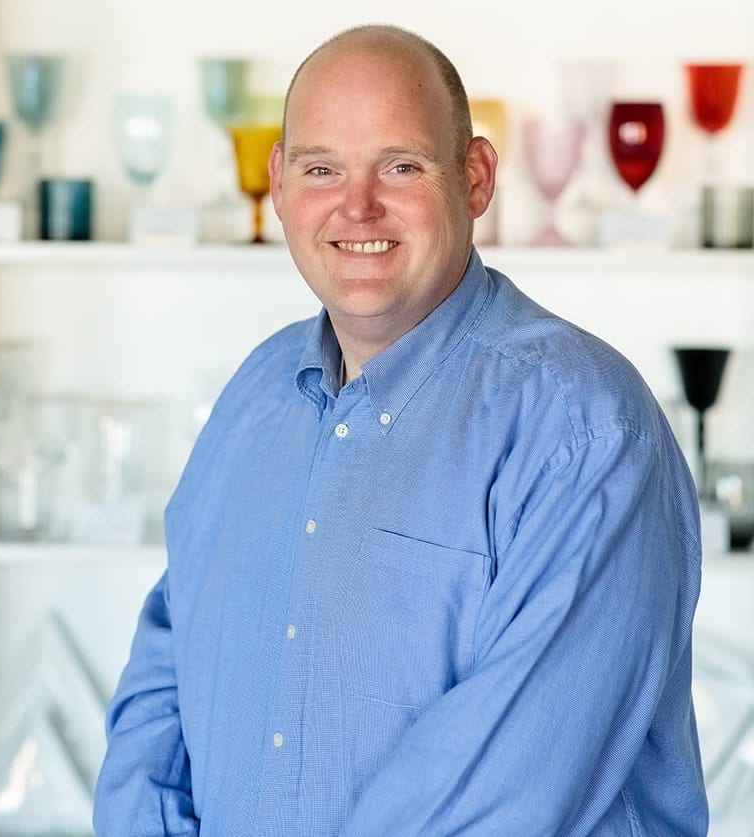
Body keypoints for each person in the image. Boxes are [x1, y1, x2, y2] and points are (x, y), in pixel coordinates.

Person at [93, 24, 708, 836]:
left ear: (476, 177)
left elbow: (506, 797)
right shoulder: (255, 398)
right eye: (321, 168)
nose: (357, 207)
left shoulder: (586, 429)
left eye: (401, 166)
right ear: (278, 183)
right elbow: (164, 679)